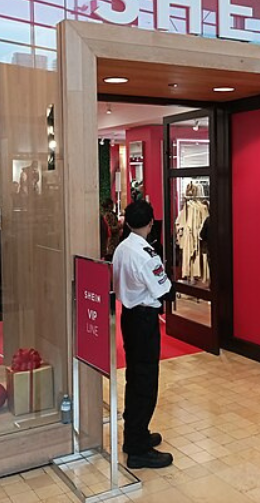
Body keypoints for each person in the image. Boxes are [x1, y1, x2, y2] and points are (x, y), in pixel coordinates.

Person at [112, 200, 174, 469]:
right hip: (144, 320)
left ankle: (134, 435)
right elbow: (164, 291)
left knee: (135, 376)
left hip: (128, 316)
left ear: (127, 222)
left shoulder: (121, 249)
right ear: (150, 223)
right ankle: (137, 449)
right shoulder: (146, 254)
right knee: (146, 381)